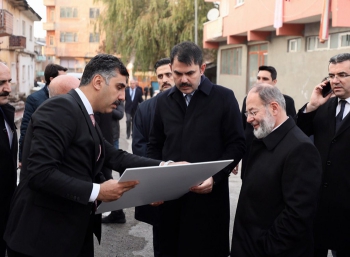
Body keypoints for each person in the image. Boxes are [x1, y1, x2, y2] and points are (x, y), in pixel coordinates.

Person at [4, 54, 179, 257]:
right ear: (98, 81)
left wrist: (166, 167)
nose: (123, 96)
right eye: (119, 87)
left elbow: (116, 156)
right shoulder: (60, 108)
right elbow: (39, 173)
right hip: (42, 239)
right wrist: (97, 191)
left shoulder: (85, 113)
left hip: (70, 234)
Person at [147, 41, 246, 257]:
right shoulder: (162, 101)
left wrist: (216, 177)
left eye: (189, 73)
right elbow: (154, 145)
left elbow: (237, 144)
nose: (183, 79)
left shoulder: (224, 97)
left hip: (208, 200)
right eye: (177, 73)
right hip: (169, 199)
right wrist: (154, 183)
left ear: (202, 69)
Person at [230, 84, 322, 257]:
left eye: (253, 112)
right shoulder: (263, 139)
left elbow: (298, 214)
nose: (248, 119)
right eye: (247, 113)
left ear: (274, 108)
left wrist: (265, 247)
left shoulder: (301, 149)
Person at [296, 53, 350, 256]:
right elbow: (296, 134)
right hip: (317, 207)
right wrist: (311, 106)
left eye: (342, 74)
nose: (335, 81)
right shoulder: (323, 105)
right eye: (331, 75)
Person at [131, 58, 175, 254]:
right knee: (162, 240)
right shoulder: (145, 108)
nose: (164, 80)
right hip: (160, 186)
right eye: (160, 76)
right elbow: (139, 147)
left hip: (188, 185)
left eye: (168, 74)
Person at [239, 65, 296, 179]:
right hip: (250, 155)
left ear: (274, 82)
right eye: (258, 78)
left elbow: (291, 129)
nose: (260, 82)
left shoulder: (286, 101)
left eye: (265, 79)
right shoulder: (248, 99)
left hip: (273, 158)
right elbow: (241, 128)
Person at [18, 64, 67, 166]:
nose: (65, 81)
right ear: (52, 79)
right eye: (62, 78)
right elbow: (26, 129)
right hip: (40, 154)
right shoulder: (34, 99)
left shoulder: (68, 99)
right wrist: (22, 158)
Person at [0, 63, 17, 257]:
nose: (8, 88)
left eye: (9, 81)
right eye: (1, 83)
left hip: (7, 207)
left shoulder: (6, 112)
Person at [99, 103, 127, 224]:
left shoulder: (105, 102)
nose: (121, 96)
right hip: (104, 142)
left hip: (105, 143)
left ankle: (117, 212)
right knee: (104, 176)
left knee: (105, 177)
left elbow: (120, 114)